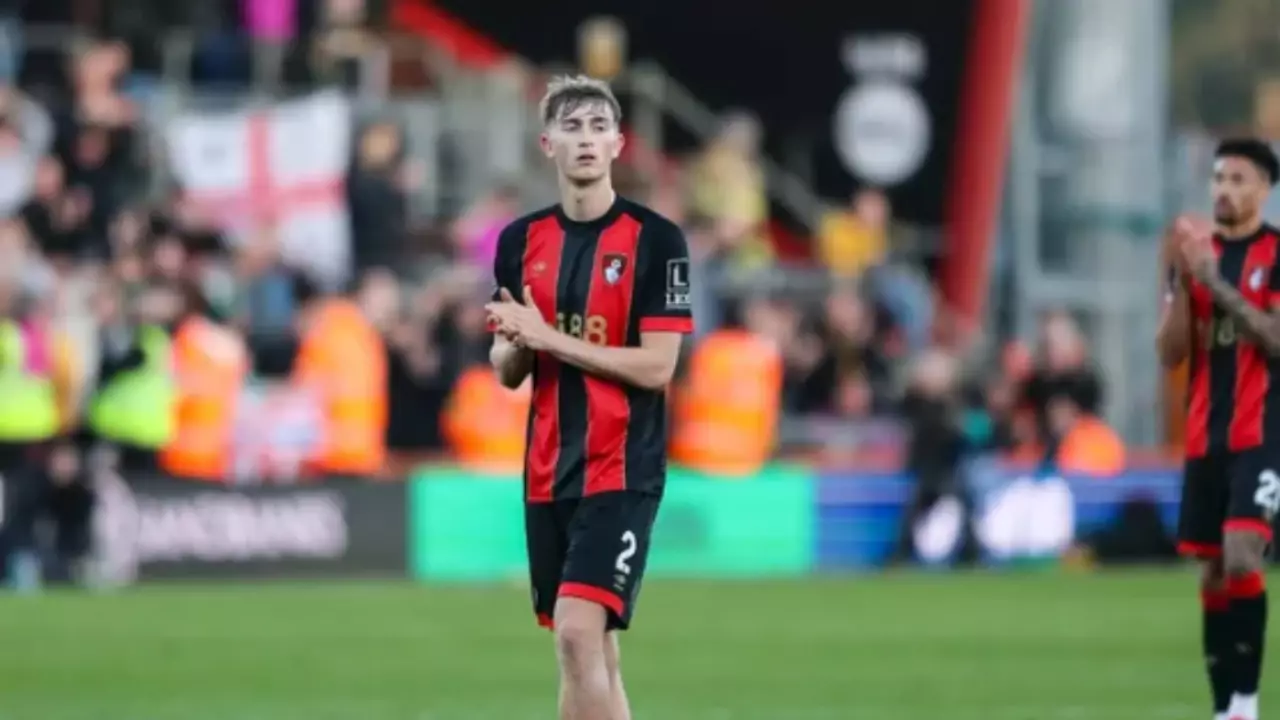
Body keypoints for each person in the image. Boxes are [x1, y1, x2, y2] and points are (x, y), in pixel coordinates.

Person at [484, 75, 692, 720]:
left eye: (598, 127)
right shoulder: (518, 242)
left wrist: (549, 338)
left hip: (622, 467)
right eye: (572, 127)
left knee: (578, 633)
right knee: (588, 649)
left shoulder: (656, 241)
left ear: (618, 144)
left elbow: (659, 368)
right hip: (547, 469)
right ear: (547, 143)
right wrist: (520, 344)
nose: (586, 139)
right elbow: (507, 368)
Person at [1160, 138, 1280, 720]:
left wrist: (1219, 286)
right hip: (1206, 432)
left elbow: (1276, 339)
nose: (1224, 190)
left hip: (1263, 432)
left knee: (1241, 554)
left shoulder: (1277, 254)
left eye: (1238, 179)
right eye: (1218, 178)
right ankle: (1223, 709)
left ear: (1264, 189)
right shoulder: (1194, 255)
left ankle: (1248, 704)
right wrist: (1186, 284)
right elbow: (1169, 353)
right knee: (1211, 568)